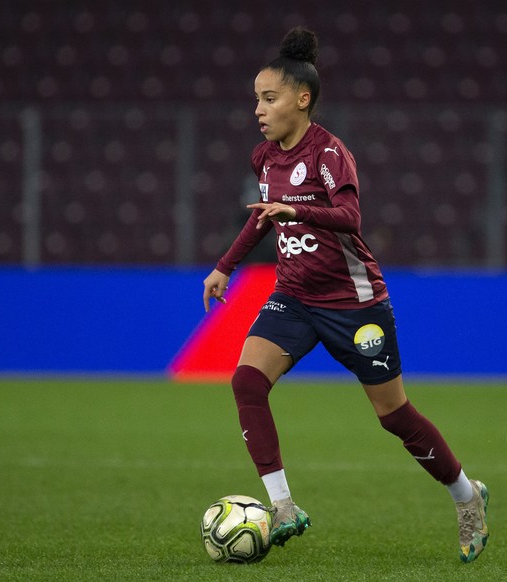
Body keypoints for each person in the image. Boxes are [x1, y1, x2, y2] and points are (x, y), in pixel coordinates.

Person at [202, 27, 490, 563]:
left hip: (355, 303)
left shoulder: (331, 153)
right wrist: (224, 267)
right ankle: (283, 507)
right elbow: (263, 220)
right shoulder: (264, 158)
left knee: (394, 416)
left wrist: (298, 210)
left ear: (302, 99)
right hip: (293, 297)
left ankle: (467, 496)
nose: (259, 111)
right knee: (246, 381)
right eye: (256, 100)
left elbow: (350, 217)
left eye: (269, 98)